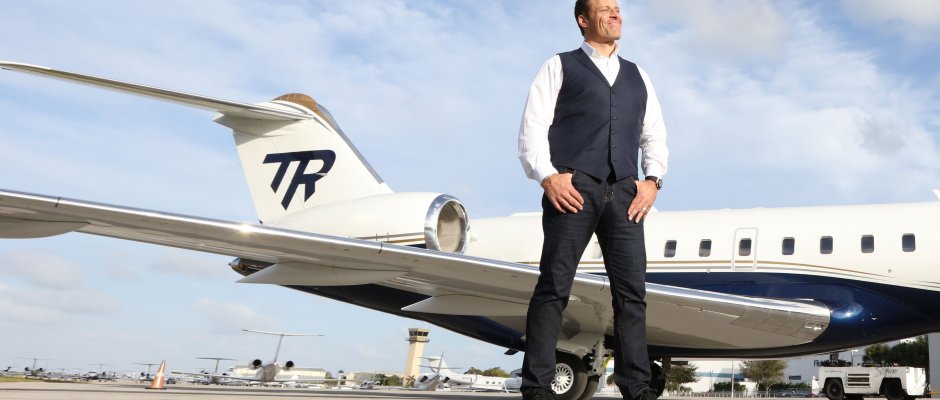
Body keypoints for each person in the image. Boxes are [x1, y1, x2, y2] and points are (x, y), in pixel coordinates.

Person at [516, 0, 668, 399]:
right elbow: (532, 130)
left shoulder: (638, 75)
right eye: (605, 9)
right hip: (573, 189)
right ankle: (537, 388)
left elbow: (654, 134)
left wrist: (652, 180)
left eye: (617, 8)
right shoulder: (559, 65)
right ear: (583, 20)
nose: (615, 14)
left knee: (632, 295)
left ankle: (636, 387)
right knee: (554, 287)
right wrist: (548, 176)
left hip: (626, 194)